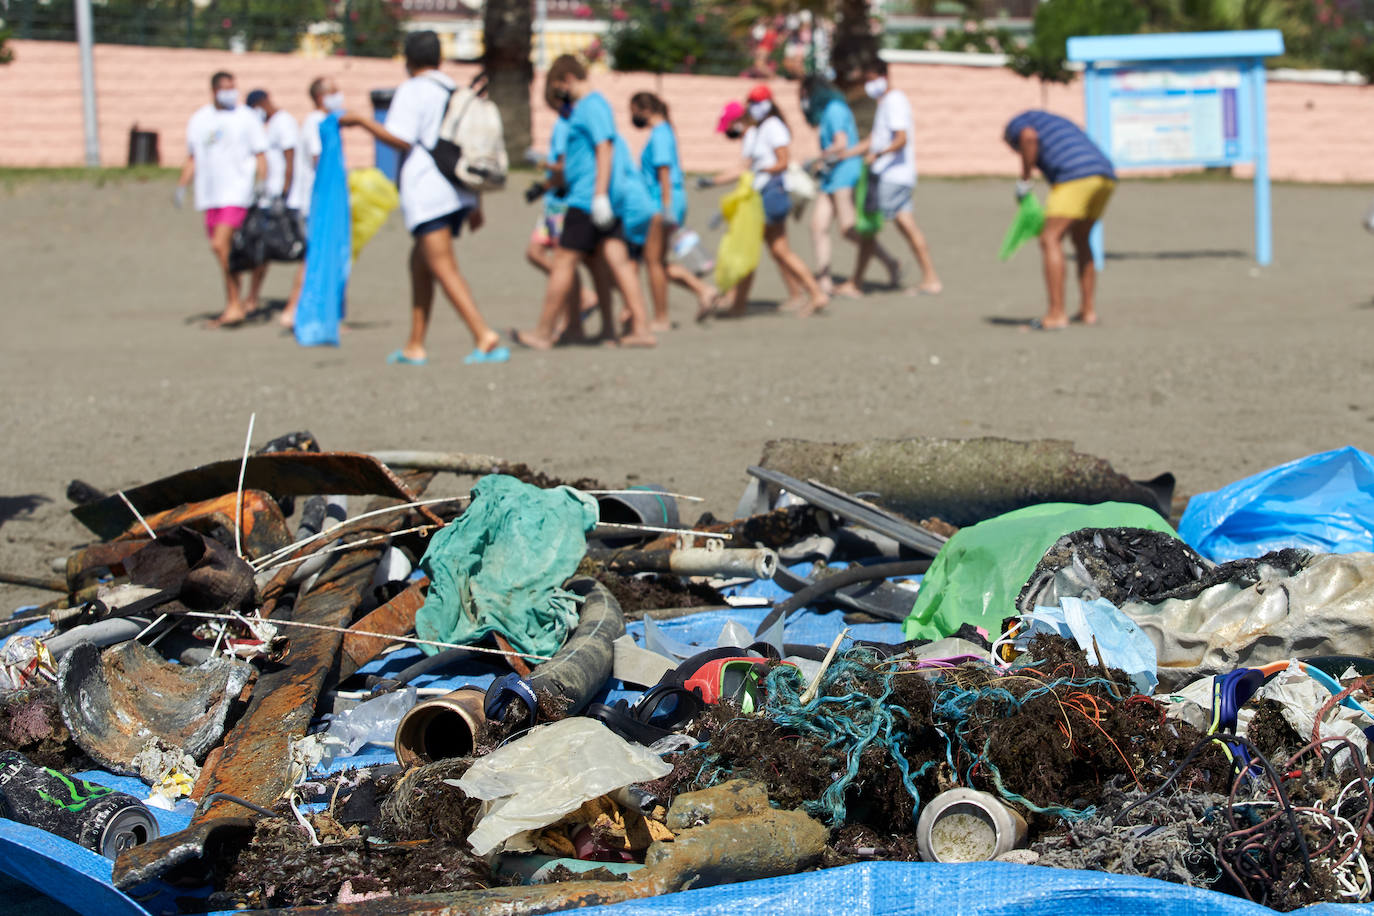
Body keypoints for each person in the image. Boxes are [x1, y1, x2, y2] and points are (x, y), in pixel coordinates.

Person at [339, 30, 508, 365]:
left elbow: (401, 138)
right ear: (438, 58)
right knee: (420, 264)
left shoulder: (413, 90)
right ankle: (415, 344)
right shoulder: (453, 89)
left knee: (443, 266)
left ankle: (483, 334)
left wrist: (360, 121)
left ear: (408, 60)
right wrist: (476, 202)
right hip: (457, 190)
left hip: (429, 191)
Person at [513, 54, 656, 350]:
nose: (560, 98)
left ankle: (543, 332)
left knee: (564, 260)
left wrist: (600, 195)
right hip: (597, 196)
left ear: (566, 79)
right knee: (614, 261)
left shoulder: (591, 105)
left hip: (588, 197)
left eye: (557, 89)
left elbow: (604, 148)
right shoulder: (591, 107)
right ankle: (631, 329)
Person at [707, 86, 827, 318]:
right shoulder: (761, 129)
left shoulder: (773, 127)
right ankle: (811, 293)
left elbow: (783, 161)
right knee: (778, 250)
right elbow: (746, 165)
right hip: (763, 193)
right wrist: (714, 181)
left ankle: (739, 304)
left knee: (750, 249)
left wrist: (760, 170)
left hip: (771, 193)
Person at [1004, 109, 1117, 330]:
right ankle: (1088, 311)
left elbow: (1028, 138)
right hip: (1104, 174)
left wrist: (1025, 179)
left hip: (1074, 175)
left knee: (1050, 238)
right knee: (1082, 239)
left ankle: (1056, 314)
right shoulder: (1054, 121)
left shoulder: (1016, 125)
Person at [174, 71, 268, 328]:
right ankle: (238, 300)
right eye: (225, 87)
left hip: (237, 193)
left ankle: (236, 303)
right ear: (214, 90)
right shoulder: (200, 119)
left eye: (233, 87)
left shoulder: (246, 118)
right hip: (210, 195)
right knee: (226, 251)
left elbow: (261, 154)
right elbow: (193, 157)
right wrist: (182, 186)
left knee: (219, 245)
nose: (230, 92)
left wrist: (262, 184)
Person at [843, 60, 942, 296]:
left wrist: (878, 155)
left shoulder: (894, 101)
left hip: (891, 176)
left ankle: (855, 282)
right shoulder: (886, 103)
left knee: (868, 228)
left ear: (882, 77)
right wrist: (846, 153)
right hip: (898, 176)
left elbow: (900, 139)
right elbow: (876, 138)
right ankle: (931, 278)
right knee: (907, 226)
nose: (867, 85)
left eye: (869, 80)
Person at [800, 74, 898, 297]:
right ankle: (824, 281)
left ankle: (890, 262)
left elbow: (841, 143)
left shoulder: (834, 109)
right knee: (818, 226)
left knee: (848, 228)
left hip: (844, 171)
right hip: (831, 174)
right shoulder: (829, 111)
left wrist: (815, 160)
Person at [629, 91, 717, 327]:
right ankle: (703, 290)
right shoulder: (664, 132)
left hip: (662, 202)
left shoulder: (659, 135)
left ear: (645, 110)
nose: (632, 117)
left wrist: (666, 207)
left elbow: (664, 173)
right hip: (667, 200)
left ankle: (661, 318)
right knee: (656, 260)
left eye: (634, 111)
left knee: (653, 261)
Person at [525, 84, 602, 340]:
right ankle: (574, 323)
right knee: (555, 258)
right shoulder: (571, 122)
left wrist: (541, 165)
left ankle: (572, 316)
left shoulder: (568, 125)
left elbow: (563, 167)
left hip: (563, 201)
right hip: (558, 200)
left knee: (562, 261)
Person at [278, 76, 341, 329]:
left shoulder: (322, 121)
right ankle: (294, 310)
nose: (339, 96)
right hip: (314, 203)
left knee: (318, 256)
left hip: (318, 201)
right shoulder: (317, 122)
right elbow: (320, 161)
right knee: (316, 257)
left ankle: (310, 311)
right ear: (320, 96)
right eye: (334, 91)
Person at [244, 89, 298, 318]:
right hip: (270, 196)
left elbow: (290, 158)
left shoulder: (283, 123)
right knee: (261, 249)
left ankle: (255, 298)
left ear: (261, 104)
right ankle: (252, 297)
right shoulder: (273, 124)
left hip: (279, 197)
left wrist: (285, 192)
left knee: (269, 248)